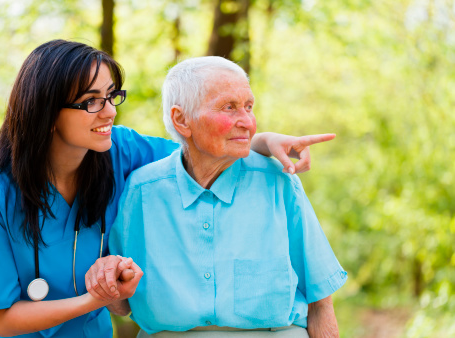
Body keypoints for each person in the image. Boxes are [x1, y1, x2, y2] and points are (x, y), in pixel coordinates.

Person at [0, 40, 332, 337]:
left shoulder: (117, 152)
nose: (109, 112)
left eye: (111, 96)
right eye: (91, 101)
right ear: (46, 112)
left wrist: (264, 140)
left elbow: (199, 147)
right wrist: (96, 299)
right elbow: (3, 321)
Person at [107, 56, 347, 337]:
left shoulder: (279, 183)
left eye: (248, 107)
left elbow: (320, 301)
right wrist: (110, 282)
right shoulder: (142, 192)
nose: (247, 121)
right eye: (229, 107)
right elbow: (121, 304)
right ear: (181, 119)